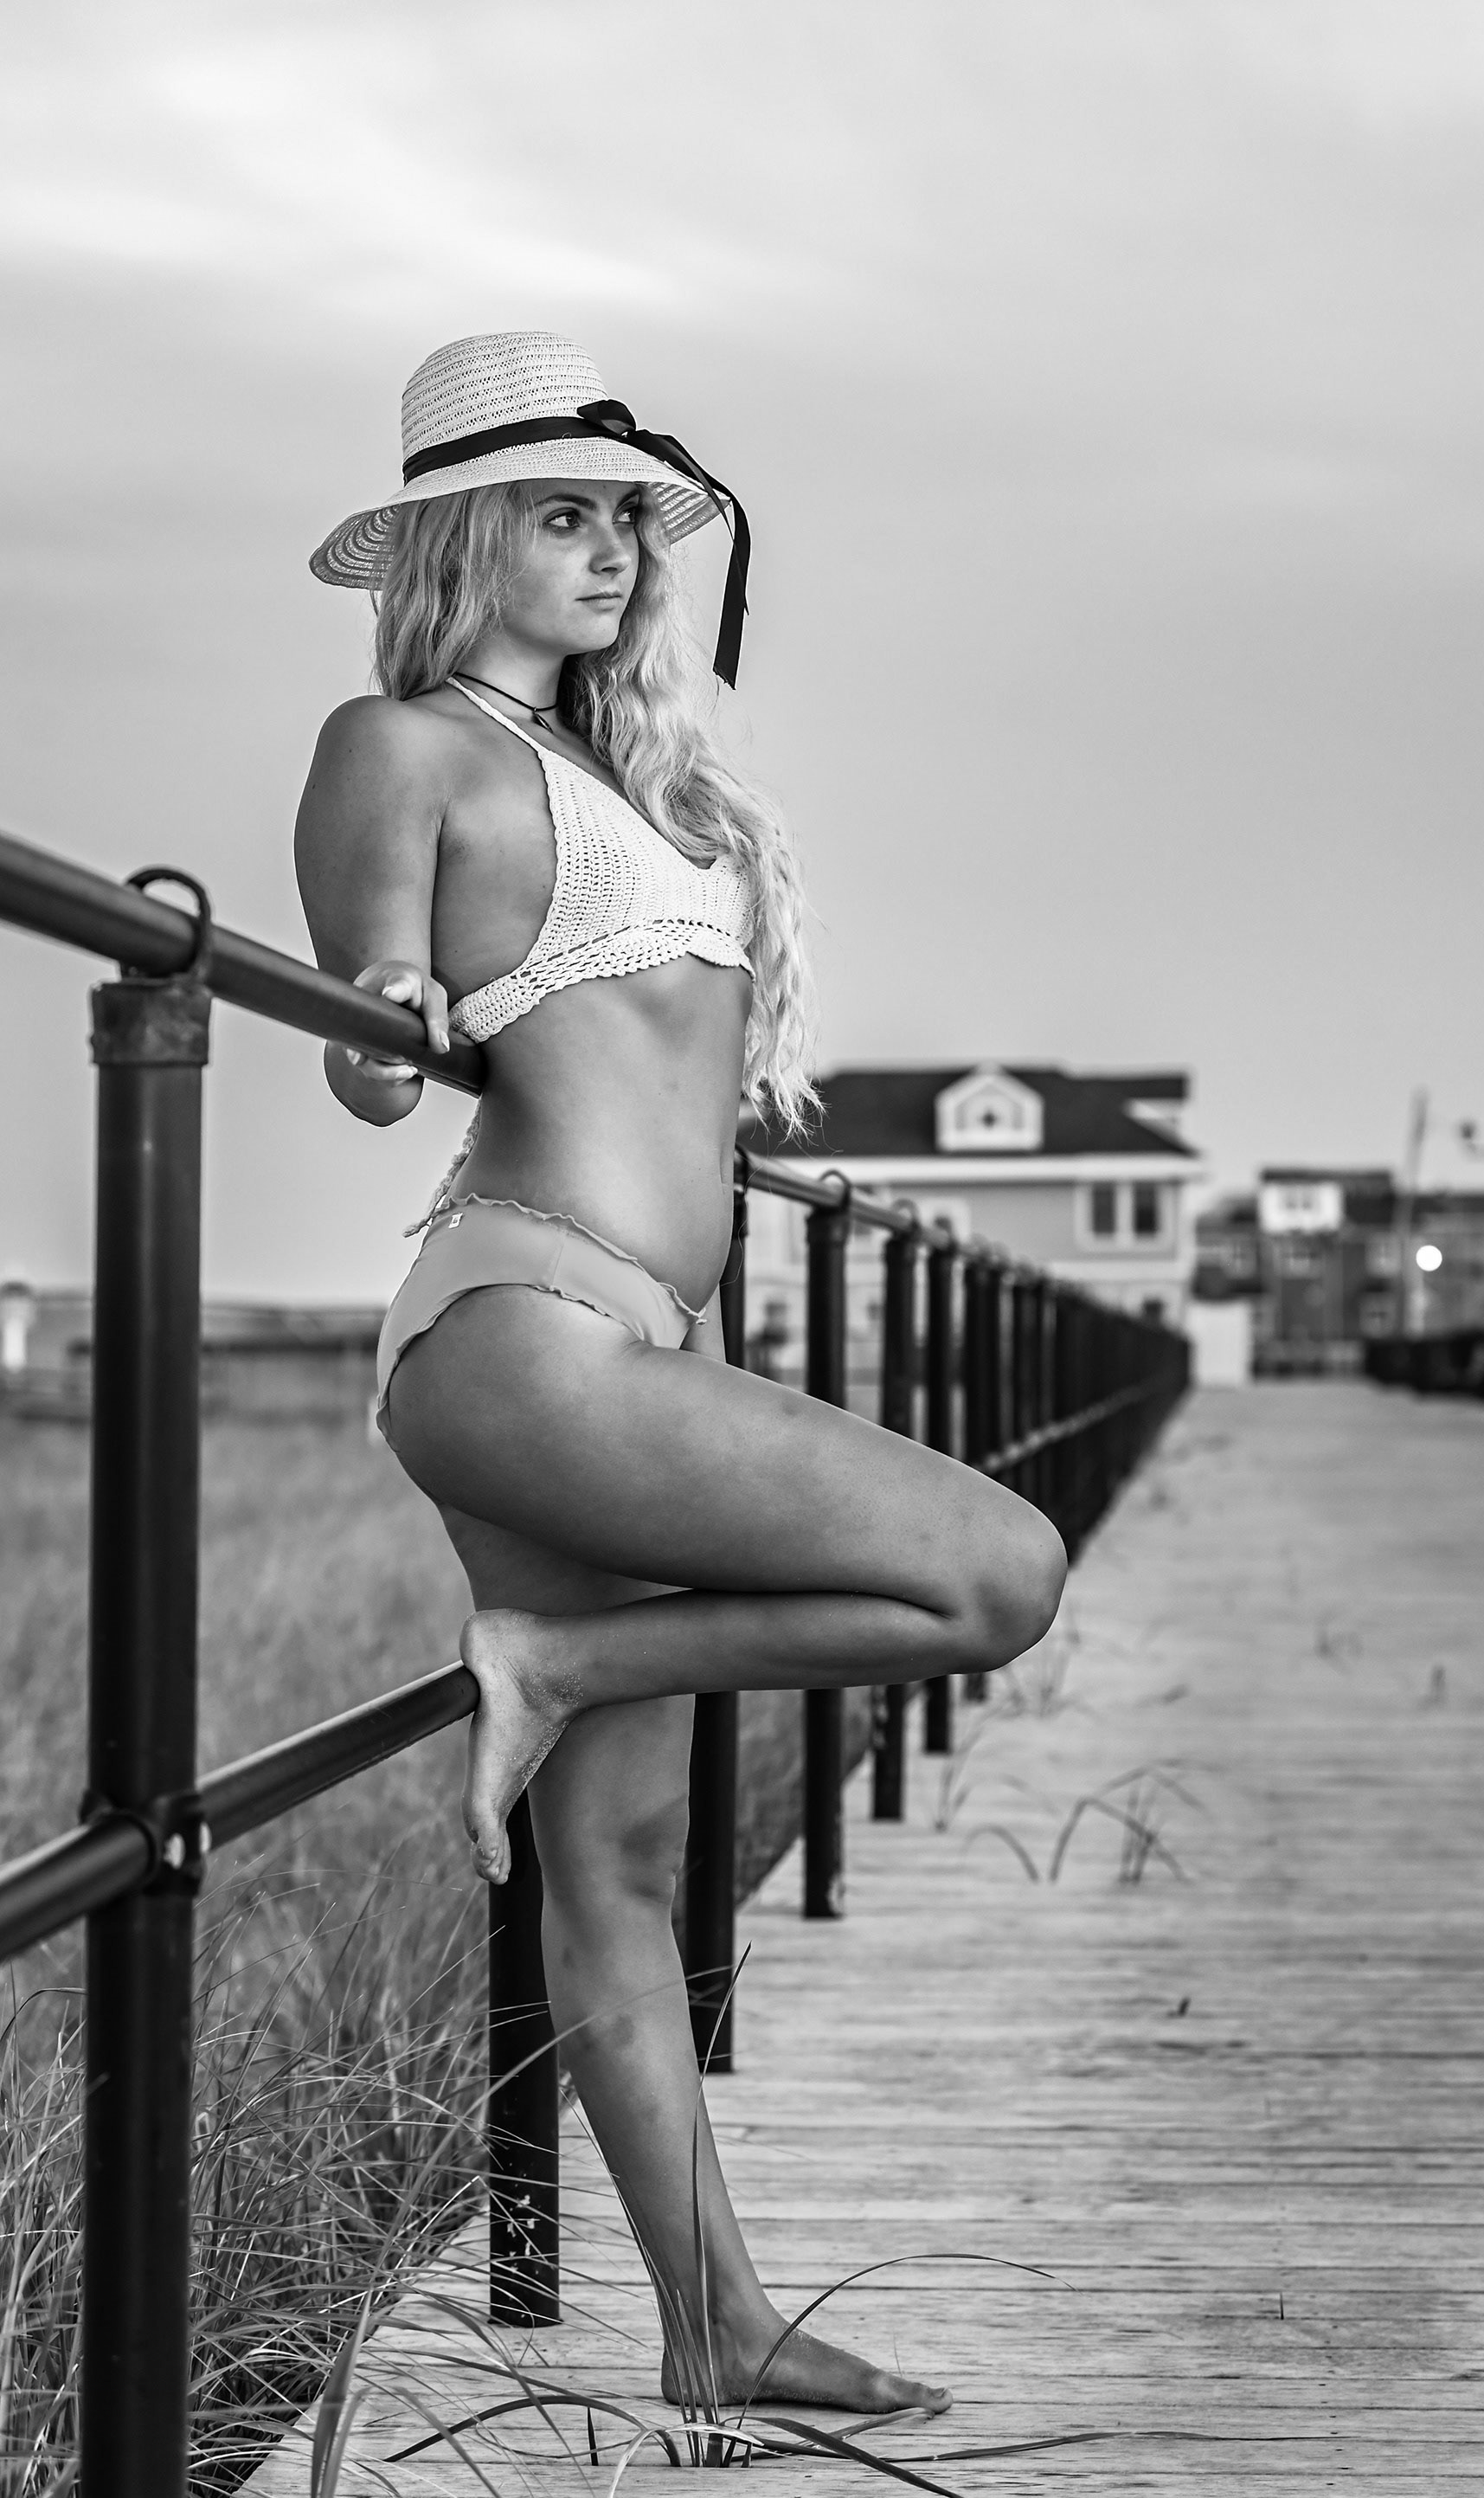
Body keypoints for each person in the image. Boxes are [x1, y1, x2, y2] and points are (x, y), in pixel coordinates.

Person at [295, 332, 1065, 2418]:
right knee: (999, 1572)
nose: (619, 547)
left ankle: (716, 2323)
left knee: (622, 1871)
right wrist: (374, 1011)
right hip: (522, 1327)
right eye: (566, 511)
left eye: (633, 513)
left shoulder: (647, 782)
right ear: (467, 537)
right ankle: (556, 1662)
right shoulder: (402, 745)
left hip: (644, 1332)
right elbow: (371, 1057)